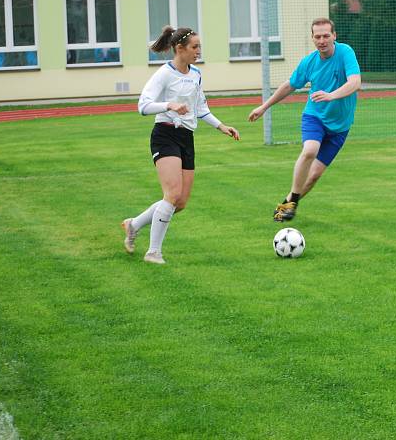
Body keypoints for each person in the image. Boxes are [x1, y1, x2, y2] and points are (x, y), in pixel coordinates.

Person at [121, 26, 240, 265]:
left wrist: (221, 126)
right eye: (195, 47)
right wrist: (169, 105)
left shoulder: (195, 74)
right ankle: (153, 252)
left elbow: (201, 108)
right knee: (172, 194)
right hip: (165, 135)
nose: (198, 51)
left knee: (180, 202)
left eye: (199, 47)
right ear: (179, 49)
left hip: (187, 138)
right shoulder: (164, 74)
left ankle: (133, 225)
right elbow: (143, 106)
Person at [248, 18, 361, 222]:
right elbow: (289, 86)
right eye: (317, 36)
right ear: (312, 38)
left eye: (326, 35)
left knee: (314, 176)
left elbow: (355, 82)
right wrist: (264, 106)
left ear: (334, 36)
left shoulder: (345, 52)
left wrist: (331, 95)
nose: (322, 40)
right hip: (314, 117)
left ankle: (288, 202)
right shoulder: (309, 62)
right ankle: (290, 204)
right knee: (310, 150)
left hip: (340, 127)